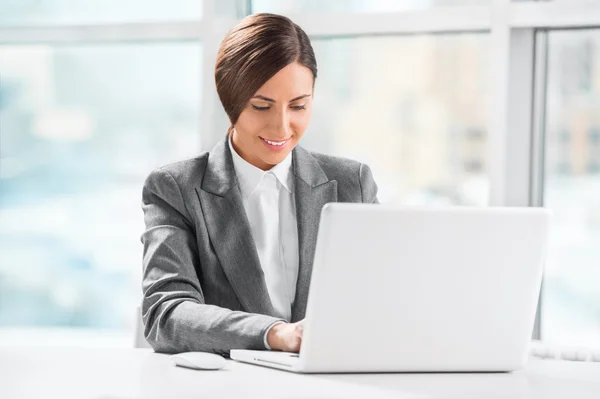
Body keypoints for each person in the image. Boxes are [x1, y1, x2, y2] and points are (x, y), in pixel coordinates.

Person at [141, 13, 378, 355]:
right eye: (261, 106)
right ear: (230, 99)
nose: (282, 128)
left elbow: (384, 294)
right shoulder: (177, 188)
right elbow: (166, 314)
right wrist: (274, 334)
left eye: (298, 106)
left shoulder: (351, 184)